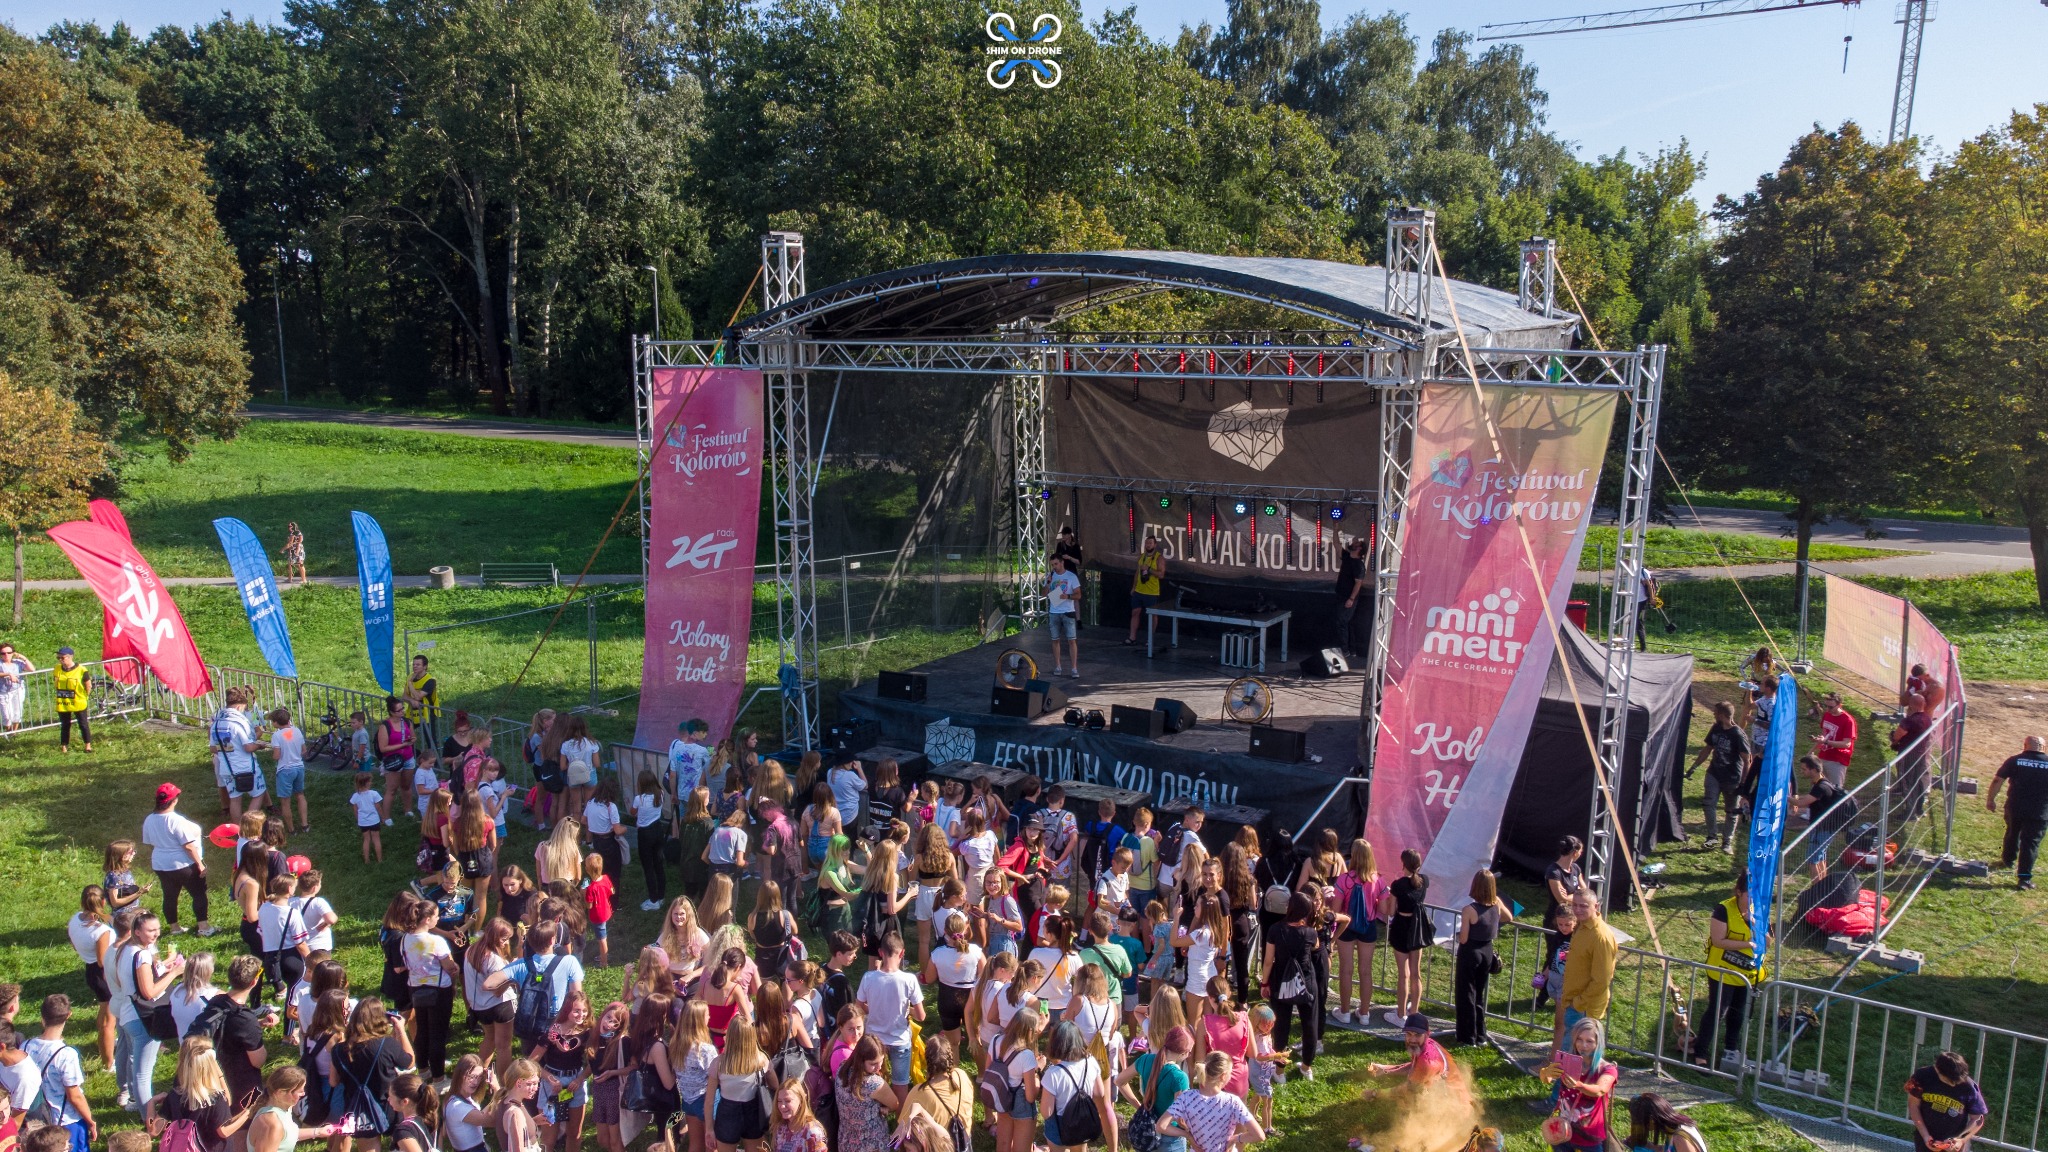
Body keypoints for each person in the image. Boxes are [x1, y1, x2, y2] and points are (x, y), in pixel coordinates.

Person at [1690, 872, 1765, 1067]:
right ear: (1739, 892)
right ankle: (1700, 1052)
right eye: (1750, 895)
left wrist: (1756, 925)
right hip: (1722, 970)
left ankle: (1731, 1049)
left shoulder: (1758, 911)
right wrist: (1748, 944)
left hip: (1746, 973)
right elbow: (1718, 940)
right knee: (1718, 1011)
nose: (1753, 900)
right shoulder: (1723, 909)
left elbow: (1769, 941)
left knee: (1738, 1012)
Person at [111, 910, 183, 1107]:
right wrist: (174, 973)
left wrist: (162, 971)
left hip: (127, 1013)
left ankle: (138, 1106)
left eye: (158, 929)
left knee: (136, 1068)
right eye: (150, 930)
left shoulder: (124, 949)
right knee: (143, 1075)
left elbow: (124, 980)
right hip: (142, 1018)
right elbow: (149, 993)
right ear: (137, 932)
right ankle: (148, 1117)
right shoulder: (142, 955)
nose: (156, 934)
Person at [144, 1037, 253, 1152]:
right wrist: (248, 1112)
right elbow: (223, 1131)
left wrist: (151, 1102)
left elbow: (154, 1130)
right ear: (210, 1068)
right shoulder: (216, 1099)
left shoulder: (175, 1095)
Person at [24, 996, 92, 1152]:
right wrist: (90, 1120)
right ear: (69, 1015)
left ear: (42, 1016)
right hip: (65, 1120)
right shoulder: (66, 1054)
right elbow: (74, 1096)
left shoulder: (26, 1046)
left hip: (37, 1118)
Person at [857, 933, 924, 1091]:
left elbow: (858, 1006)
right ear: (902, 953)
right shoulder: (909, 980)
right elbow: (921, 1016)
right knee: (901, 1083)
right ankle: (900, 1108)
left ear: (880, 953)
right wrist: (908, 1010)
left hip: (874, 1040)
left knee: (873, 1082)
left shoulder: (868, 977)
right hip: (900, 1040)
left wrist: (873, 1009)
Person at [1156, 1050, 1256, 1152]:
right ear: (1223, 1076)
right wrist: (1235, 1138)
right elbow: (1258, 1135)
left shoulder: (1186, 1097)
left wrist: (1188, 1135)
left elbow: (1161, 1126)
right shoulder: (1233, 1101)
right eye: (1230, 1073)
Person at [1544, 1018, 1619, 1152]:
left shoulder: (1607, 1069)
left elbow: (1600, 1090)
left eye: (1589, 1041)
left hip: (1589, 1138)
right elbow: (1546, 1079)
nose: (1583, 1045)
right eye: (1579, 1039)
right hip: (1562, 1132)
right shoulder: (1566, 1062)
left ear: (1598, 1043)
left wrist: (1578, 1085)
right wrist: (1546, 1072)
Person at [1040, 1020, 1116, 1152]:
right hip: (1082, 1120)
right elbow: (1099, 1093)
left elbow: (1047, 1112)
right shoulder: (1091, 1062)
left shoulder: (1053, 1073)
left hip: (1060, 1124)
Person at [1557, 890, 1616, 1052]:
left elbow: (1602, 980)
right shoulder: (1581, 926)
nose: (1577, 910)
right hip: (1575, 1003)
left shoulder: (1600, 936)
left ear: (1596, 906)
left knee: (1575, 1057)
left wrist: (1578, 1003)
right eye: (1574, 905)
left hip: (1584, 1008)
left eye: (1583, 906)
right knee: (1571, 1056)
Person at [1691, 701, 1753, 852]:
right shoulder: (1716, 728)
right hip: (1714, 773)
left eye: (1716, 712)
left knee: (1731, 811)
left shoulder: (1738, 735)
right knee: (1708, 804)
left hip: (1732, 778)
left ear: (1722, 715)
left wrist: (1743, 783)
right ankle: (1712, 837)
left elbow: (1747, 760)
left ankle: (1727, 842)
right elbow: (1708, 749)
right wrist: (1694, 766)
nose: (1713, 714)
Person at [1455, 871, 1507, 1047]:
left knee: (1466, 995)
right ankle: (1481, 1035)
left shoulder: (1469, 910)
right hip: (1487, 952)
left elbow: (1463, 938)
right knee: (1479, 995)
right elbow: (1509, 917)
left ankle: (1467, 1037)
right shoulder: (1497, 903)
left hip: (1470, 952)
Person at [1989, 736, 2048, 889]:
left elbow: (1998, 780)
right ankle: (2024, 879)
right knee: (2031, 843)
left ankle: (2008, 860)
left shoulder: (2015, 760)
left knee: (2012, 833)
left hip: (2015, 807)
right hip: (2039, 811)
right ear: (2044, 747)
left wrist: (1991, 799)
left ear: (2025, 745)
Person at [1536, 836, 1584, 1013]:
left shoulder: (1575, 869)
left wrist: (1572, 896)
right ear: (1574, 852)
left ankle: (1565, 992)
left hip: (1573, 921)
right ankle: (1542, 994)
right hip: (1555, 922)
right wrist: (1575, 896)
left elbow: (1584, 892)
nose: (1581, 854)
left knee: (1570, 956)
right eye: (1580, 851)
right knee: (1554, 955)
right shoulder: (1554, 872)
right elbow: (1561, 899)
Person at [1906, 1052, 1989, 1152]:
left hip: (1955, 1141)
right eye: (1950, 1080)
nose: (1954, 1084)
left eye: (1957, 1081)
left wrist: (1961, 1139)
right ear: (1937, 1070)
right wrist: (1925, 1136)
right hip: (1925, 1136)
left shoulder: (1969, 1086)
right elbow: (1913, 1106)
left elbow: (1978, 1118)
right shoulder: (1921, 1076)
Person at [1382, 848, 1428, 1026]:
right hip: (1417, 929)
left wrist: (1387, 899)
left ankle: (1400, 1014)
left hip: (1401, 928)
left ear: (1404, 864)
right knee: (1416, 973)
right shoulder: (1424, 881)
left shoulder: (1398, 885)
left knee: (1404, 975)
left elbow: (1391, 911)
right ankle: (1414, 1012)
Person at [1792, 756, 1857, 881]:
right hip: (1826, 827)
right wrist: (1795, 797)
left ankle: (1817, 888)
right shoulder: (1824, 783)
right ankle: (1823, 886)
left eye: (1804, 769)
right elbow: (1809, 797)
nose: (1801, 772)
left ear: (1814, 770)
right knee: (1820, 857)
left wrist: (1785, 797)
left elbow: (1802, 803)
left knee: (1813, 860)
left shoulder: (1821, 787)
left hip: (1821, 828)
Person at [209, 687, 267, 824]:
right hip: (245, 767)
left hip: (226, 768)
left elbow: (213, 748)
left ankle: (237, 829)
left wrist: (229, 749)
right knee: (259, 794)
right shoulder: (239, 723)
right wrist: (259, 745)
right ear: (239, 706)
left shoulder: (216, 724)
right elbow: (248, 747)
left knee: (235, 800)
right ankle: (248, 825)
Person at [250, 1066, 342, 1152]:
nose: (303, 1094)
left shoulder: (284, 1109)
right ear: (280, 1093)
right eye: (300, 1091)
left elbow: (287, 1134)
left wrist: (318, 1132)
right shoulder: (271, 1125)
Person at [1363, 1013, 1448, 1099]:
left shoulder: (1426, 1062)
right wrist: (1386, 1069)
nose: (1412, 1040)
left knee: (1415, 1097)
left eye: (1417, 1035)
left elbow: (1407, 1089)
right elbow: (1414, 1066)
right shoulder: (1425, 1045)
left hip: (1448, 1096)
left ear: (1427, 1034)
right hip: (1442, 1083)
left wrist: (1375, 1093)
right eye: (1409, 1034)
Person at [1890, 693, 1935, 821]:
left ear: (1911, 705)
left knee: (1907, 782)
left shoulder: (1909, 721)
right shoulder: (1927, 718)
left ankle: (1910, 812)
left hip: (1908, 755)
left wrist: (1893, 739)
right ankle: (1919, 808)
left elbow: (1897, 735)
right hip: (1921, 754)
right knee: (1918, 781)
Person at [269, 708, 310, 833]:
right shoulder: (297, 731)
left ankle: (292, 829)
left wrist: (273, 755)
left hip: (285, 769)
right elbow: (304, 750)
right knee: (300, 795)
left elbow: (276, 756)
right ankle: (305, 825)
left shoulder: (276, 735)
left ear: (276, 722)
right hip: (299, 767)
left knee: (285, 801)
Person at [1627, 1094, 1706, 1152]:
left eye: (1639, 1120)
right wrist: (1648, 1145)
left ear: (1652, 1120)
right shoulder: (1674, 1128)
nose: (1639, 1125)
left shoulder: (1680, 1138)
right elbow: (1668, 1149)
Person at [50, 646, 91, 752]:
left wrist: (85, 696)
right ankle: (64, 746)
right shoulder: (57, 668)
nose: (60, 660)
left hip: (78, 700)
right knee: (65, 724)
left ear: (70, 657)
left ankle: (88, 745)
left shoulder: (82, 670)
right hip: (63, 701)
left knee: (83, 724)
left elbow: (88, 685)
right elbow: (56, 682)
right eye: (58, 658)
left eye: (62, 658)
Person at [1047, 555, 1082, 679]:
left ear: (1062, 563)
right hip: (1054, 611)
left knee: (1071, 640)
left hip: (1068, 611)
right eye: (1052, 565)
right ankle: (1058, 666)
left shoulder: (1071, 576)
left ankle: (1074, 668)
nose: (1054, 567)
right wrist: (1048, 583)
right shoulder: (1050, 576)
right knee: (1055, 639)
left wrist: (1068, 596)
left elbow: (1078, 595)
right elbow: (1043, 593)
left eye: (1056, 564)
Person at [1813, 693, 1858, 789]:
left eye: (1830, 707)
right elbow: (1824, 734)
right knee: (1818, 787)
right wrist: (1816, 744)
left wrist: (1826, 742)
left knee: (1835, 789)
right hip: (1823, 756)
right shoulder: (1827, 715)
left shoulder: (1848, 720)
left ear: (1839, 705)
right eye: (1825, 706)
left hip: (1837, 760)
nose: (1827, 709)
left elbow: (1847, 744)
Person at [1125, 537, 1164, 646]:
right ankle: (1132, 637)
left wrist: (1149, 569)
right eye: (1147, 543)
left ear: (1155, 545)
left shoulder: (1159, 558)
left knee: (1152, 616)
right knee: (1135, 612)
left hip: (1151, 592)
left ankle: (1150, 639)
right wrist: (1134, 587)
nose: (1148, 545)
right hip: (1139, 590)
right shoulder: (1142, 557)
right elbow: (1137, 573)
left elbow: (1161, 574)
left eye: (1150, 543)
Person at [1334, 537, 1368, 657]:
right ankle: (1351, 650)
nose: (1353, 543)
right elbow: (1336, 545)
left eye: (1356, 543)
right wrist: (1335, 529)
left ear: (1359, 548)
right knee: (1347, 623)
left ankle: (1345, 650)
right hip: (1341, 594)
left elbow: (1358, 583)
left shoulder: (1359, 565)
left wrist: (1351, 599)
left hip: (1348, 598)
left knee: (1342, 622)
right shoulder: (1347, 557)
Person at [403, 655, 441, 750]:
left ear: (425, 666)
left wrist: (410, 684)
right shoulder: (410, 677)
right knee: (406, 734)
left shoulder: (430, 680)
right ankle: (411, 755)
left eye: (418, 664)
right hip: (412, 713)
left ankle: (434, 757)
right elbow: (404, 696)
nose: (414, 666)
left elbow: (418, 696)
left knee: (430, 739)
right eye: (413, 664)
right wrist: (411, 700)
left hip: (427, 713)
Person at [0, 642, 32, 734]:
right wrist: (9, 674)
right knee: (7, 715)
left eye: (9, 653)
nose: (6, 655)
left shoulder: (18, 662)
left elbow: (32, 669)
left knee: (17, 712)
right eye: (3, 653)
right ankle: (8, 731)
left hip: (18, 690)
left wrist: (23, 658)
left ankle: (14, 733)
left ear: (13, 653)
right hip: (3, 692)